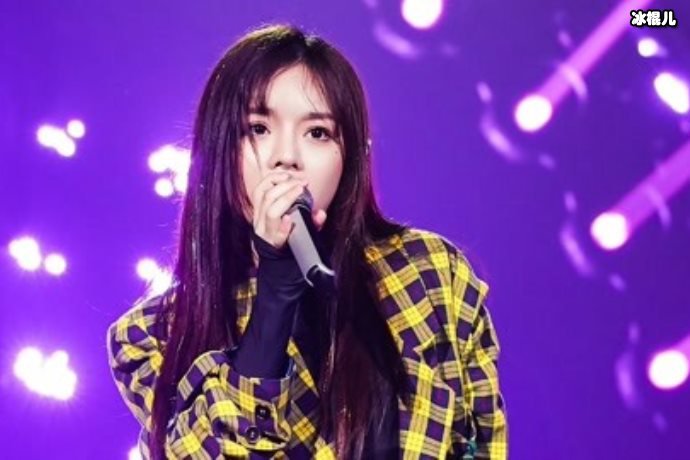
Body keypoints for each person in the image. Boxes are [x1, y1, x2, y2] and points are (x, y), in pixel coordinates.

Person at [107, 23, 507, 460]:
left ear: (349, 156)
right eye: (258, 128)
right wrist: (274, 299)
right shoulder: (155, 334)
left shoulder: (431, 272)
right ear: (218, 147)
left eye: (317, 133)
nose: (287, 157)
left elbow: (483, 443)